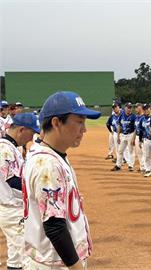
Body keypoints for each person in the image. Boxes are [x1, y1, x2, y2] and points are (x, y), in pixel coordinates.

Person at [23, 91, 101, 269]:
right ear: (56, 122)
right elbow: (54, 227)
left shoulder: (45, 152)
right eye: (79, 122)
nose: (84, 130)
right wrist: (76, 267)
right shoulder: (48, 165)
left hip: (49, 257)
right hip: (56, 263)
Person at [0, 113, 40, 270]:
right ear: (22, 130)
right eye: (31, 133)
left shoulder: (10, 147)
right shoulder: (4, 149)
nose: (31, 139)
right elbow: (12, 181)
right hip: (11, 208)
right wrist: (37, 189)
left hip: (13, 207)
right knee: (26, 255)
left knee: (16, 255)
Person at [116, 102, 136, 172]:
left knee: (131, 151)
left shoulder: (133, 116)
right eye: (128, 107)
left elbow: (136, 128)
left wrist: (133, 138)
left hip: (130, 134)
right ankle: (118, 165)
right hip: (123, 135)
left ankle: (131, 166)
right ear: (125, 108)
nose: (129, 109)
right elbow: (119, 126)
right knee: (120, 151)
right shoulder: (121, 115)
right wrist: (118, 136)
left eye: (130, 108)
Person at [139, 104, 151, 177]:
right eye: (144, 109)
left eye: (147, 108)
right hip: (146, 140)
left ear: (150, 109)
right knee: (146, 156)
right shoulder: (142, 119)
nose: (146, 110)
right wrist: (140, 140)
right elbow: (141, 130)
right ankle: (148, 170)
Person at [106, 103, 122, 171]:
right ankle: (119, 162)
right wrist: (111, 131)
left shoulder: (123, 115)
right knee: (118, 149)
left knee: (127, 149)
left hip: (124, 134)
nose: (115, 108)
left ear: (119, 107)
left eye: (116, 107)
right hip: (116, 133)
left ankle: (128, 162)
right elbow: (107, 124)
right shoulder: (112, 116)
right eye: (114, 107)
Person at [132, 103, 145, 173]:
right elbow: (135, 129)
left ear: (141, 107)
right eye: (135, 107)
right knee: (139, 153)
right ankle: (142, 167)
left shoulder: (144, 117)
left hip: (143, 137)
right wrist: (133, 138)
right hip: (137, 136)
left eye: (137, 107)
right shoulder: (136, 117)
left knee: (144, 153)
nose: (135, 109)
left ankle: (145, 168)